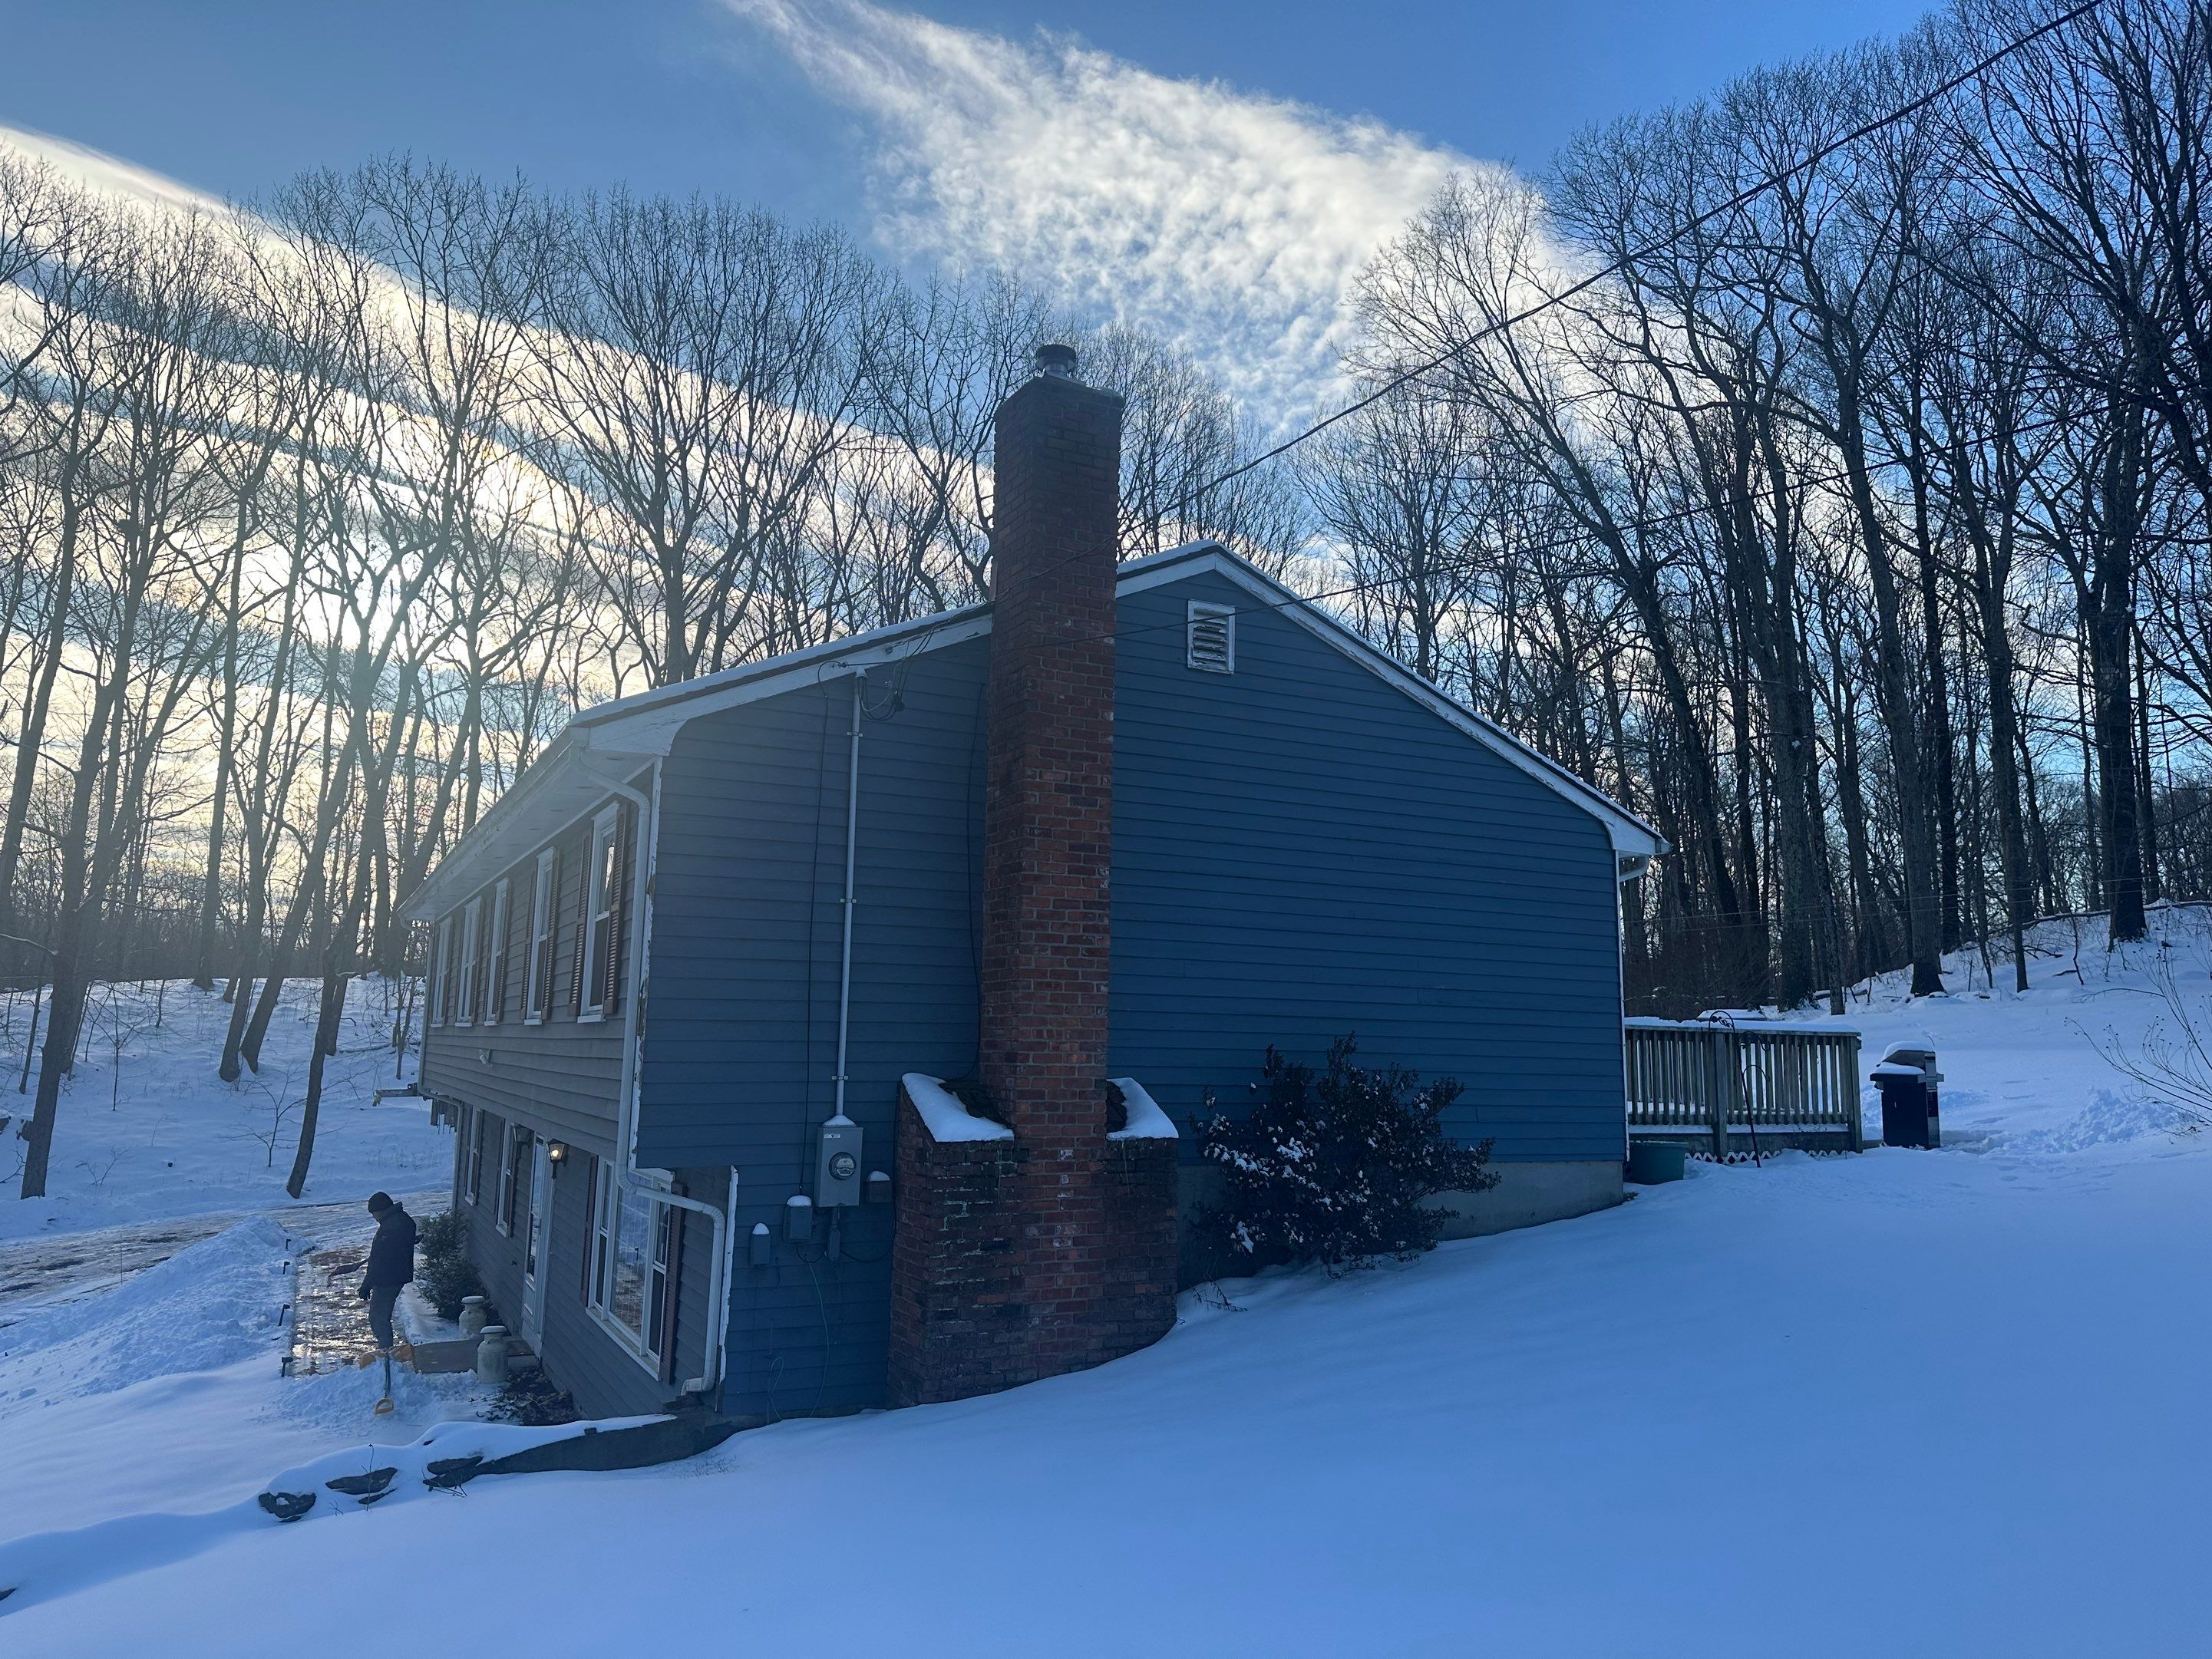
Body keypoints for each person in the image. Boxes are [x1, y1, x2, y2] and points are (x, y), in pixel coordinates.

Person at [360, 1191, 418, 1355]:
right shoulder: (402, 1219)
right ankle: (386, 1350)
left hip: (388, 1279)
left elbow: (379, 1261)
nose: (374, 1217)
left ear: (381, 1210)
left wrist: (366, 1286)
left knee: (378, 1318)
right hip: (397, 1274)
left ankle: (385, 1353)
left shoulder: (390, 1228)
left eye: (374, 1214)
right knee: (381, 1316)